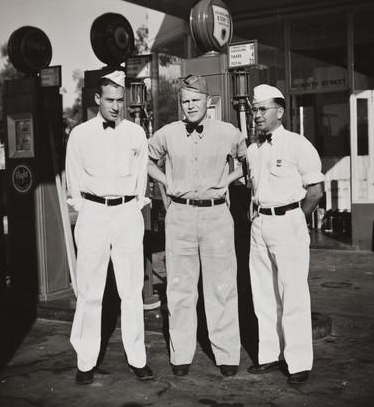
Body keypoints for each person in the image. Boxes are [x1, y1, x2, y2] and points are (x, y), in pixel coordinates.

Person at [147, 74, 247, 377]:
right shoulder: (167, 133)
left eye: (195, 100)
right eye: (185, 101)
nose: (190, 106)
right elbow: (147, 161)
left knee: (222, 286)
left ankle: (227, 354)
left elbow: (247, 162)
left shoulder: (228, 132)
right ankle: (181, 355)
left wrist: (225, 182)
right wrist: (168, 181)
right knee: (180, 288)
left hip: (217, 215)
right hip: (180, 215)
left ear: (208, 101)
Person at [65, 70, 153, 385]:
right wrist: (88, 210)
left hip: (128, 211)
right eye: (110, 100)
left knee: (131, 291)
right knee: (90, 292)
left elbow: (142, 178)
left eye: (120, 101)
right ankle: (85, 362)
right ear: (97, 99)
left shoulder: (136, 134)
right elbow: (73, 184)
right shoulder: (80, 135)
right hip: (93, 213)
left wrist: (133, 207)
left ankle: (138, 359)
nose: (116, 107)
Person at [245, 84, 324, 385]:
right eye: (255, 109)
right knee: (263, 293)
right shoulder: (254, 150)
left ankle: (298, 362)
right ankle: (269, 355)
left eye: (263, 109)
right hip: (260, 224)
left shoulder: (296, 144)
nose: (257, 115)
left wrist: (295, 219)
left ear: (280, 111)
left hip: (289, 220)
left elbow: (315, 192)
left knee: (292, 293)